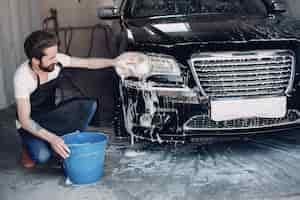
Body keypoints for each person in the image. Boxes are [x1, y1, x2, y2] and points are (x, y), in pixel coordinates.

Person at [14, 30, 134, 168]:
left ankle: (63, 140)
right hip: (30, 123)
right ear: (35, 60)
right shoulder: (23, 77)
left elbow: (88, 63)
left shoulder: (56, 61)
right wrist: (53, 139)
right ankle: (28, 146)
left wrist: (114, 62)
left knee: (88, 106)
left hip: (50, 115)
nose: (56, 59)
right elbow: (25, 120)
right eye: (51, 58)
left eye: (56, 55)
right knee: (43, 156)